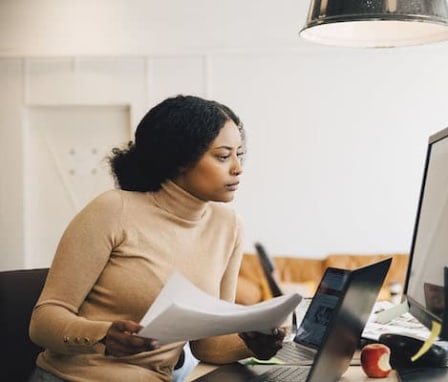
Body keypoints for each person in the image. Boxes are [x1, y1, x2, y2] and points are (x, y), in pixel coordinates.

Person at [28, 95, 285, 382]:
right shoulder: (113, 209)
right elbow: (43, 321)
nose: (238, 168)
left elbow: (208, 345)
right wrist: (103, 334)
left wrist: (252, 345)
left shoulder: (229, 226)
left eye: (240, 154)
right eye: (223, 156)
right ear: (179, 159)